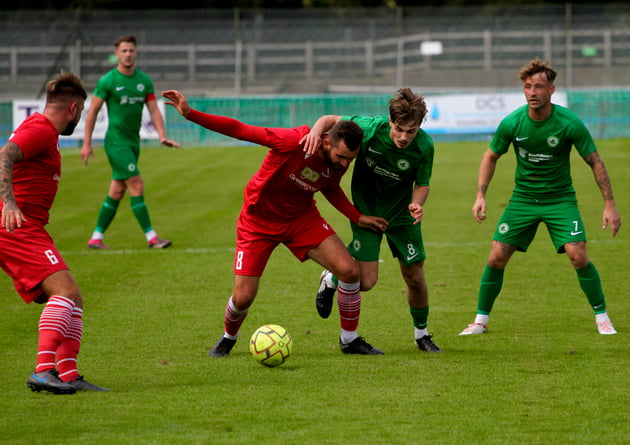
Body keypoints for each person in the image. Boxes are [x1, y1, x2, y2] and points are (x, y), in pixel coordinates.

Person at [161, 89, 389, 356]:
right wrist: (190, 114)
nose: (344, 163)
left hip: (301, 219)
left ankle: (349, 340)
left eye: (350, 159)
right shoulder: (293, 141)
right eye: (341, 157)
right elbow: (240, 129)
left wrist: (357, 216)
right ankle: (228, 337)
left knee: (349, 271)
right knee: (243, 297)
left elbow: (330, 187)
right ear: (327, 142)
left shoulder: (339, 161)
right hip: (258, 222)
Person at [459, 58, 622, 336]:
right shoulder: (513, 122)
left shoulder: (568, 123)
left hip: (560, 201)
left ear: (551, 90)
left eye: (538, 86)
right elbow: (491, 155)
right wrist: (480, 195)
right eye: (527, 87)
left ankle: (602, 317)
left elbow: (595, 161)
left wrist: (609, 203)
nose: (532, 92)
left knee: (578, 255)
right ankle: (480, 321)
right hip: (522, 200)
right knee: (497, 256)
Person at [302, 88, 441, 353]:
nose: (403, 137)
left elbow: (423, 184)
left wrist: (417, 203)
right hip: (367, 214)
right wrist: (314, 132)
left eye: (411, 131)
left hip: (401, 216)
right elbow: (330, 119)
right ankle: (331, 279)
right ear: (390, 121)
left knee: (414, 276)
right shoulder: (369, 128)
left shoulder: (425, 147)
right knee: (365, 282)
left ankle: (422, 334)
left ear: (419, 127)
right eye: (399, 129)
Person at [0, 72, 108, 394]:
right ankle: (44, 370)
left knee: (73, 297)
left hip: (28, 227)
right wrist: (8, 203)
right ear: (73, 109)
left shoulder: (42, 131)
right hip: (17, 227)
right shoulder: (41, 131)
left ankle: (68, 374)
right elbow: (5, 155)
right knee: (65, 292)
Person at [81, 35, 179, 250]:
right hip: (116, 143)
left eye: (131, 50)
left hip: (133, 143)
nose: (127, 54)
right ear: (116, 54)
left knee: (117, 191)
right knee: (136, 184)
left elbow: (153, 109)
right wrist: (86, 143)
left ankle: (96, 238)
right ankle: (152, 238)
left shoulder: (144, 81)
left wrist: (162, 135)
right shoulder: (108, 81)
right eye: (123, 50)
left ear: (136, 53)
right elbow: (92, 112)